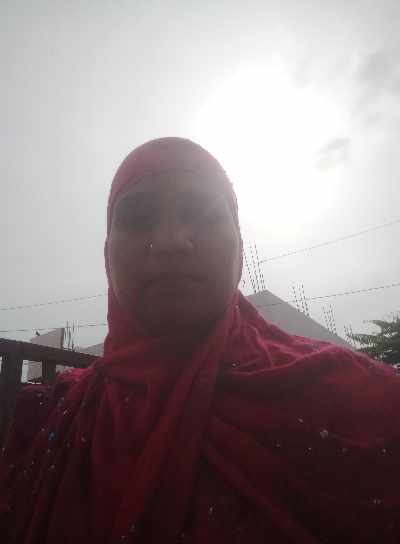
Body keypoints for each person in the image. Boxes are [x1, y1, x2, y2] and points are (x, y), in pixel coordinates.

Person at [1, 137, 400, 543]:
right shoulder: (48, 421)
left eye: (203, 213)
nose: (171, 240)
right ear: (107, 257)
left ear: (240, 249)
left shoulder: (360, 402)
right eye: (138, 219)